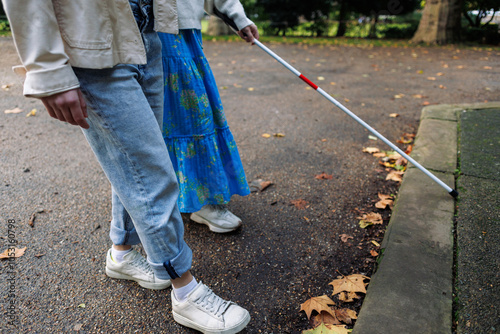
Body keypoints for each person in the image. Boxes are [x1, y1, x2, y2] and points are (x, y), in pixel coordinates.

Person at [2, 0, 255, 333]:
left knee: (132, 164)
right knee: (152, 173)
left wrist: (233, 14)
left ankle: (121, 252)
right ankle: (185, 290)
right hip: (91, 41)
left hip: (149, 36)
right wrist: (48, 69)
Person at [157, 0, 259, 233]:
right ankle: (176, 194)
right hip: (139, 32)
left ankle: (200, 196)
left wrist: (238, 17)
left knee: (193, 113)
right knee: (161, 116)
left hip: (180, 29)